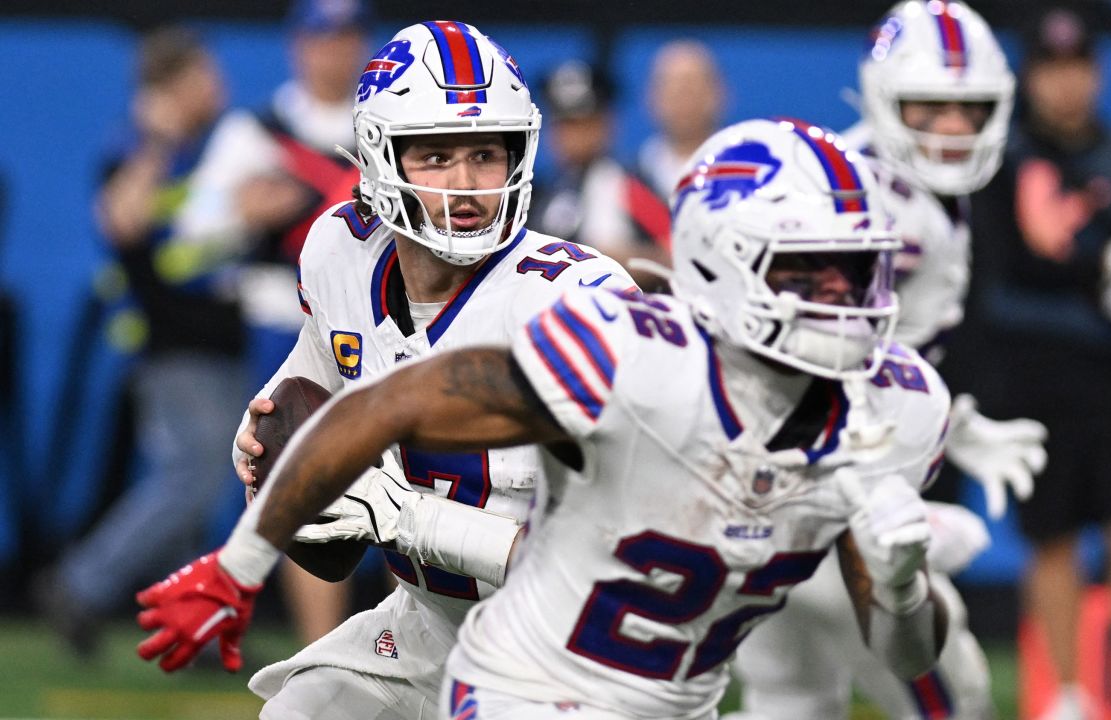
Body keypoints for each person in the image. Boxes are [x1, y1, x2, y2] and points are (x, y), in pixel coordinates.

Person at [136, 115, 954, 718]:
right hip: (455, 638)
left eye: (857, 272)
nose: (843, 302)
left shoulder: (899, 406)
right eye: (810, 272)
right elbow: (363, 393)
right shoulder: (627, 357)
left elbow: (900, 644)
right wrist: (265, 486)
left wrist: (902, 583)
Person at [224, 20, 631, 718]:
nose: (468, 185)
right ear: (381, 159)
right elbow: (316, 371)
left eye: (485, 154)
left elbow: (612, 563)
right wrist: (265, 430)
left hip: (575, 646)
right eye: (436, 157)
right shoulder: (340, 253)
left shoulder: (577, 303)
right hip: (429, 625)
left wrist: (406, 517)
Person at [729, 2, 1047, 718]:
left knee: (793, 693)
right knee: (947, 688)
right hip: (818, 484)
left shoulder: (873, 181)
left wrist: (950, 422)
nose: (953, 129)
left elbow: (875, 351)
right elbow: (809, 363)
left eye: (969, 109)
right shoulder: (873, 207)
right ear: (883, 99)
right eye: (929, 107)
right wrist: (880, 487)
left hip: (775, 479)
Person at [961, 7, 1111, 720]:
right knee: (1052, 534)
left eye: (1078, 68)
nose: (1066, 85)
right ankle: (1066, 693)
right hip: (1031, 367)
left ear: (1097, 72)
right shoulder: (1000, 161)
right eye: (1051, 69)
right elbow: (1011, 263)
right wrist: (1107, 269)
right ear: (1029, 77)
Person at [34, 26, 250, 658]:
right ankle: (79, 583)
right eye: (203, 76)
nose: (218, 87)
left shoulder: (215, 146)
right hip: (174, 349)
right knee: (191, 478)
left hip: (212, 341)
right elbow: (121, 219)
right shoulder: (140, 149)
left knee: (193, 490)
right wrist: (156, 136)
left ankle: (199, 633)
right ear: (169, 87)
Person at [181, 0, 374, 644]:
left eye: (346, 37)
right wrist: (241, 211)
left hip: (381, 321)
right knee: (304, 480)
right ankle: (323, 649)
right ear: (299, 45)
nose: (334, 51)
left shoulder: (385, 120)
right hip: (282, 323)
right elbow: (192, 236)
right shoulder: (258, 131)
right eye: (323, 38)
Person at [530, 59, 671, 289]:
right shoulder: (541, 192)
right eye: (564, 124)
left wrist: (612, 258)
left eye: (583, 123)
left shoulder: (630, 186)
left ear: (607, 123)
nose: (572, 136)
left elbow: (674, 254)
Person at [636, 39, 727, 197]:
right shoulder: (623, 184)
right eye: (673, 87)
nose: (684, 98)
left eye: (692, 85)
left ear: (719, 93)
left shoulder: (746, 174)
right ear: (651, 96)